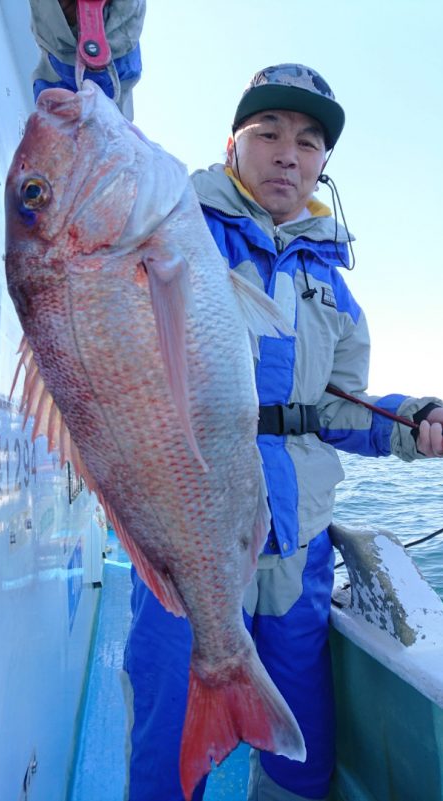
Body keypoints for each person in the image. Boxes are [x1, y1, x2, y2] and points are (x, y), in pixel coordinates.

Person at [122, 62, 443, 801]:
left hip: (298, 550)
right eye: (267, 132)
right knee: (167, 743)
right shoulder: (178, 229)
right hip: (186, 536)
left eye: (307, 141)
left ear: (324, 164)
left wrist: (413, 420)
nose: (288, 153)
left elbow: (338, 409)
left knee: (302, 754)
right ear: (230, 144)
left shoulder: (333, 286)